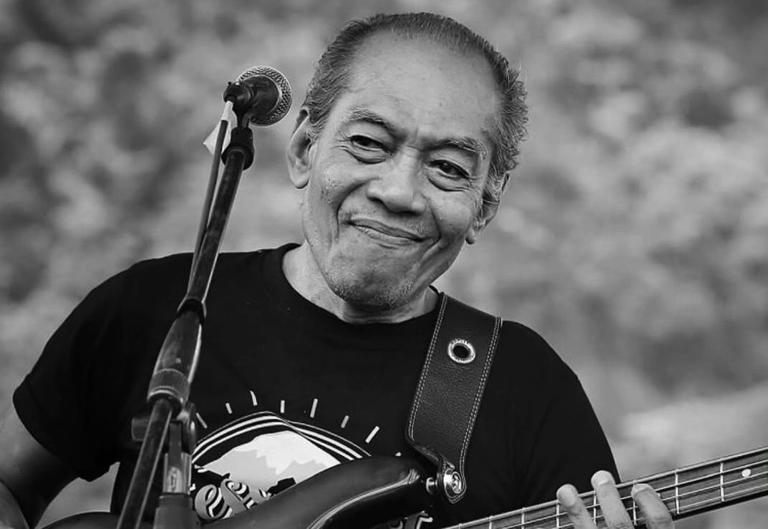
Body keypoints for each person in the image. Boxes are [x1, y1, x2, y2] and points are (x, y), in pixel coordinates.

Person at [0, 12, 673, 529]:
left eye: (447, 167)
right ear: (302, 150)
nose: (399, 191)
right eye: (369, 143)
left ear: (483, 206)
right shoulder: (155, 307)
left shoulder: (527, 389)